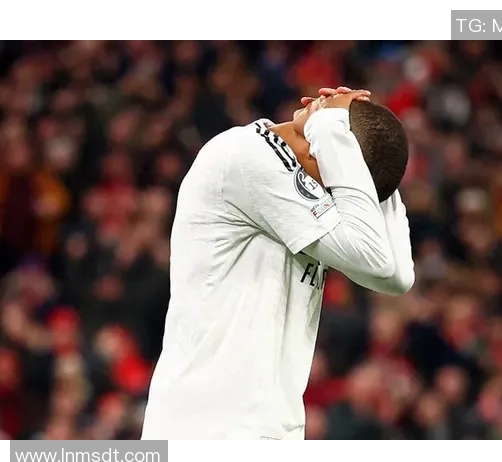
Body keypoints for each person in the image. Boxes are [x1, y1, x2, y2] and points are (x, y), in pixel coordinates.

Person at [141, 86, 415, 440]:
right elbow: (375, 259)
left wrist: (371, 169)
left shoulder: (306, 176)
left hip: (266, 428)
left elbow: (397, 275)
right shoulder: (246, 155)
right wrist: (331, 127)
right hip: (209, 425)